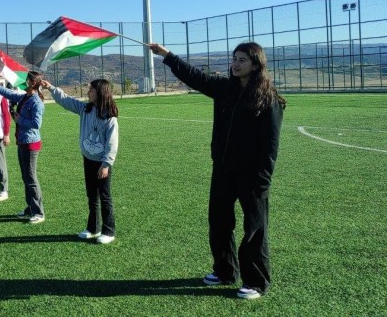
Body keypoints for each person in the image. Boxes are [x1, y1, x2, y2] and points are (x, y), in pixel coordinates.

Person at [148, 41, 285, 300]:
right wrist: (166, 55)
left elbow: (271, 145)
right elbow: (195, 77)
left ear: (256, 64)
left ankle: (256, 281)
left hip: (252, 176)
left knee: (255, 228)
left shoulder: (269, 99)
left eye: (242, 60)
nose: (235, 64)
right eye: (234, 58)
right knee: (219, 222)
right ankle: (225, 271)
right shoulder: (225, 89)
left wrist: (263, 179)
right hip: (223, 170)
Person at [43, 78, 119, 244]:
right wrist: (50, 88)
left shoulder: (109, 117)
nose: (88, 92)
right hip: (88, 159)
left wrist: (106, 164)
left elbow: (112, 143)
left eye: (91, 89)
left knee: (104, 197)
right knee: (92, 196)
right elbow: (66, 101)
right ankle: (93, 228)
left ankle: (108, 231)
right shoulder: (85, 109)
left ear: (100, 92)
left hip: (102, 164)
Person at [0, 71, 46, 224]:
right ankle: (30, 208)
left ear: (33, 83)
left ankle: (39, 212)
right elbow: (10, 94)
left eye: (26, 80)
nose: (23, 82)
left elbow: (36, 124)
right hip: (22, 142)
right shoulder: (25, 97)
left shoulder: (36, 102)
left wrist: (20, 120)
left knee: (31, 178)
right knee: (26, 178)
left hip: (31, 144)